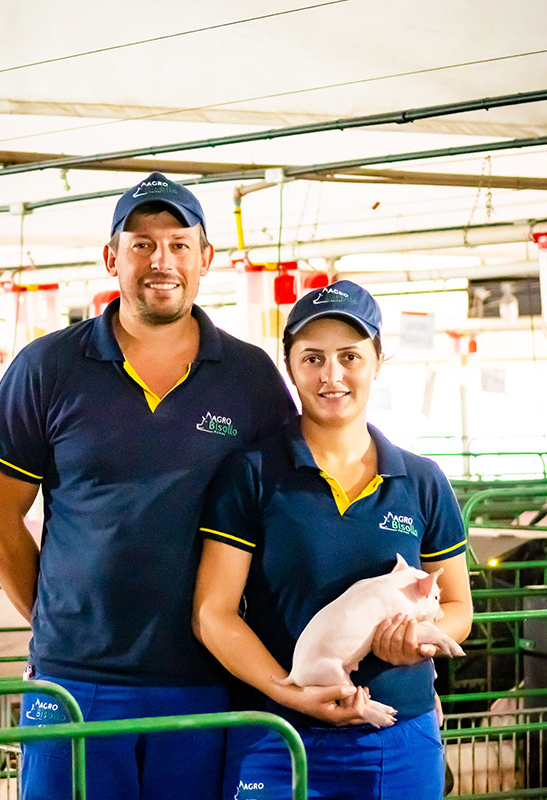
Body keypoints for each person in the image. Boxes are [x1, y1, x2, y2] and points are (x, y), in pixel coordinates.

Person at [0, 172, 297, 800]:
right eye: (142, 244)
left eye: (179, 244)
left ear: (206, 259)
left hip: (206, 675)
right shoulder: (47, 367)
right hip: (75, 682)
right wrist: (60, 623)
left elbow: (284, 511)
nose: (161, 261)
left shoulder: (251, 377)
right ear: (111, 258)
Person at [193, 279, 473, 800]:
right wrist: (288, 691)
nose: (332, 375)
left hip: (396, 733)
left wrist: (414, 641)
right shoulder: (251, 473)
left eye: (350, 356)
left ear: (377, 361)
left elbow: (458, 605)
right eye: (313, 358)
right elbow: (214, 612)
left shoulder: (422, 480)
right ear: (291, 367)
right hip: (277, 735)